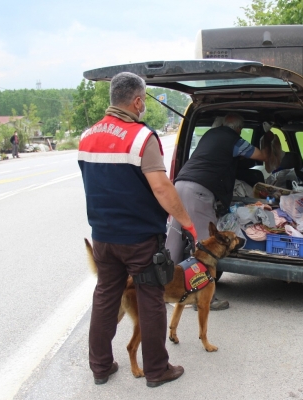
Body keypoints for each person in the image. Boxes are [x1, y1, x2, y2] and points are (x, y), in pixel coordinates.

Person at [78, 72, 197, 388]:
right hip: (139, 239)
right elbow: (161, 187)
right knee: (151, 297)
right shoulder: (141, 138)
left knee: (105, 297)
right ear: (137, 101)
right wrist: (186, 222)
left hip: (103, 237)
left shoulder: (87, 136)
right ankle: (157, 370)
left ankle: (100, 367)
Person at [165, 113, 271, 310]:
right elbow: (262, 156)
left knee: (175, 237)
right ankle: (204, 297)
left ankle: (163, 287)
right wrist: (268, 137)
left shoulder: (209, 135)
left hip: (179, 185)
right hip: (199, 191)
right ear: (237, 128)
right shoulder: (233, 139)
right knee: (208, 246)